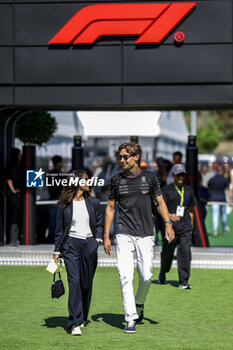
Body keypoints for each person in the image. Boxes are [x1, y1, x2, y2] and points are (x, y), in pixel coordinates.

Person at [104, 142, 175, 334]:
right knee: (125, 275)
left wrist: (168, 223)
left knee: (146, 276)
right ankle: (130, 318)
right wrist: (106, 235)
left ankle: (139, 302)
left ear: (137, 157)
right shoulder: (116, 180)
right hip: (123, 231)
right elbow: (110, 208)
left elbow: (160, 203)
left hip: (145, 233)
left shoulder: (150, 178)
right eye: (120, 156)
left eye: (126, 156)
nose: (122, 160)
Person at [53, 169, 104, 336]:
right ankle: (74, 321)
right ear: (75, 182)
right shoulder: (63, 205)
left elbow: (99, 223)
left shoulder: (94, 202)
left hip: (89, 244)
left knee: (86, 284)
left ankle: (82, 316)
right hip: (70, 246)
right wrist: (56, 250)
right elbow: (59, 229)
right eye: (85, 180)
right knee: (74, 281)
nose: (88, 182)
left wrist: (97, 241)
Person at [158, 164, 195, 289]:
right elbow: (160, 207)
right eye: (178, 175)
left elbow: (190, 210)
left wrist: (191, 227)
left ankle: (184, 281)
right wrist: (169, 216)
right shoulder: (166, 190)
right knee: (167, 254)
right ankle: (163, 272)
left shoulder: (189, 190)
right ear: (173, 175)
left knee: (185, 253)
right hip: (170, 228)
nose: (181, 177)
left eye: (183, 175)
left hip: (185, 228)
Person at [6, 148, 24, 245]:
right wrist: (13, 190)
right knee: (15, 216)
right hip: (14, 196)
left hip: (16, 194)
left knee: (16, 216)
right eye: (19, 154)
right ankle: (13, 239)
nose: (21, 156)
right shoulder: (12, 166)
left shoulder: (18, 166)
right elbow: (9, 178)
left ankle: (15, 238)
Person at [208, 165, 232, 236]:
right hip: (222, 199)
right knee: (223, 214)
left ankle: (215, 231)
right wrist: (230, 199)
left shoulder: (212, 179)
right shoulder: (224, 179)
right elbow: (228, 190)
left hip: (214, 199)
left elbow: (208, 187)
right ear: (222, 171)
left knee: (215, 215)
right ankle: (224, 229)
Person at [47, 155, 64, 243]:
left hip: (51, 199)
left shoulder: (48, 174)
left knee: (52, 221)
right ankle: (58, 240)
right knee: (60, 221)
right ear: (59, 163)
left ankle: (50, 239)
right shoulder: (62, 175)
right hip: (59, 199)